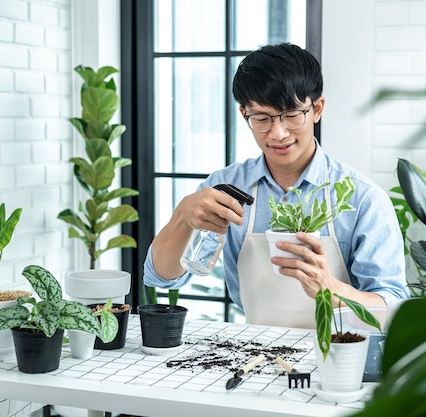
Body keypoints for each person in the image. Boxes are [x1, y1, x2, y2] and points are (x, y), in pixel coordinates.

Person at [144, 42, 407, 328]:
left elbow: (391, 308)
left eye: (292, 115)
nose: (278, 133)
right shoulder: (224, 188)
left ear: (317, 109)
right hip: (254, 353)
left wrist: (329, 288)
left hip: (340, 355)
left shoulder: (362, 199)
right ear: (245, 115)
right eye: (262, 118)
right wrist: (182, 216)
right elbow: (162, 276)